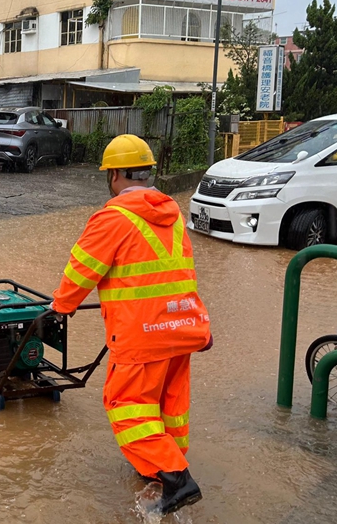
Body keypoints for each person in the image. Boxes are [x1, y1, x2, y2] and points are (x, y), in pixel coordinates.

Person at [50, 134, 211, 515]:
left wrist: (62, 306)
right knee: (170, 405)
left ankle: (175, 476)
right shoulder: (171, 213)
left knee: (126, 404)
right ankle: (161, 466)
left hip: (142, 336)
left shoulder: (113, 217)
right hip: (183, 327)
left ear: (116, 175)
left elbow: (81, 270)